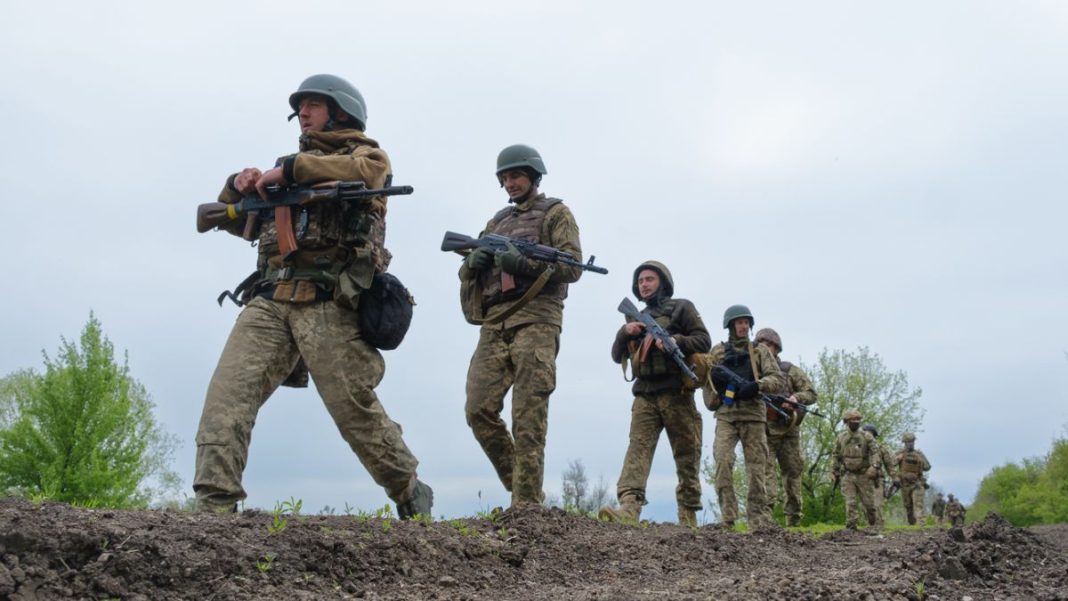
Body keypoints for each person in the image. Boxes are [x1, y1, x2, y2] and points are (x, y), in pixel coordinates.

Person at [193, 74, 432, 518]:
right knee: (226, 399)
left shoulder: (364, 156)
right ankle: (214, 506)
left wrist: (292, 172)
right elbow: (235, 221)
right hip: (270, 299)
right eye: (299, 107)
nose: (302, 113)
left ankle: (410, 490)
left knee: (354, 411)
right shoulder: (281, 173)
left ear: (341, 112)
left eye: (313, 105)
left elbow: (369, 172)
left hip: (328, 303)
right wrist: (240, 185)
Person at [458, 144, 584, 506]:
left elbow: (572, 267)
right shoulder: (497, 221)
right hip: (495, 323)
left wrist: (524, 265)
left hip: (537, 320)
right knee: (477, 409)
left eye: (516, 175)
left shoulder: (557, 213)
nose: (510, 183)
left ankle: (526, 508)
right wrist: (473, 263)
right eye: (505, 177)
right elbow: (467, 268)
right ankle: (524, 488)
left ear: (533, 175)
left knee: (528, 416)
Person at [599, 261, 711, 527]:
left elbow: (704, 340)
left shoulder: (682, 307)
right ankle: (628, 508)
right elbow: (617, 356)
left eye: (649, 279)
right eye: (640, 281)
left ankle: (688, 513)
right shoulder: (635, 317)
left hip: (677, 393)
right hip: (645, 396)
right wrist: (624, 333)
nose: (645, 284)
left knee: (687, 454)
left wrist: (676, 341)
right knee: (637, 450)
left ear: (662, 282)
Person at [703, 305, 785, 530]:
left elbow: (778, 379)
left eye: (747, 322)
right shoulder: (718, 352)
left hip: (754, 415)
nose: (744, 326)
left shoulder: (760, 351)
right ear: (730, 324)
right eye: (739, 322)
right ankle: (728, 519)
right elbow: (704, 379)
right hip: (727, 415)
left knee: (757, 468)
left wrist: (758, 385)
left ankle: (757, 520)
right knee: (722, 463)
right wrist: (716, 391)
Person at [754, 328, 817, 527]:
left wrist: (795, 398)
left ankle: (794, 519)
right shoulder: (753, 371)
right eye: (761, 344)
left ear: (776, 348)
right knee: (765, 475)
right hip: (764, 432)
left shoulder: (790, 370)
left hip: (789, 430)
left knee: (793, 474)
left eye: (769, 345)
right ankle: (765, 521)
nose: (765, 348)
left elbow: (811, 393)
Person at [832, 409, 881, 531]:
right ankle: (851, 527)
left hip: (864, 474)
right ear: (847, 421)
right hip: (847, 474)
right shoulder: (841, 437)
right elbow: (835, 455)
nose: (856, 422)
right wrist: (834, 470)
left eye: (858, 419)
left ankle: (872, 525)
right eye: (853, 420)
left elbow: (876, 452)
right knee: (850, 502)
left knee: (869, 504)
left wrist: (874, 466)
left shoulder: (867, 436)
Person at [893, 432, 932, 525]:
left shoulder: (919, 454)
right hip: (905, 484)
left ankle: (921, 524)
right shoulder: (900, 453)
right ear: (904, 443)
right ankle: (912, 525)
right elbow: (891, 465)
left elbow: (927, 467)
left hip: (917, 483)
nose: (910, 443)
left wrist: (921, 460)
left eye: (912, 441)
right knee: (908, 506)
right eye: (908, 442)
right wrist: (897, 459)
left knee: (918, 504)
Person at [861, 423, 895, 526]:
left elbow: (889, 465)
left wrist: (895, 477)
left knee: (877, 505)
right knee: (865, 506)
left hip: (877, 480)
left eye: (870, 434)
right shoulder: (858, 448)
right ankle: (869, 527)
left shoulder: (881, 448)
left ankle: (879, 527)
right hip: (862, 480)